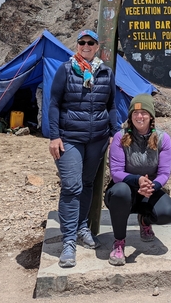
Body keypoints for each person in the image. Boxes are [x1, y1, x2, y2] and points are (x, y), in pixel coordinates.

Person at [48, 29, 119, 268]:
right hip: (69, 138)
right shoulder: (66, 70)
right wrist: (54, 136)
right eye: (82, 42)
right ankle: (68, 241)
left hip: (97, 139)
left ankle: (81, 227)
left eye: (91, 42)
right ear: (77, 45)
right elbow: (54, 103)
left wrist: (112, 133)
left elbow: (111, 105)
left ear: (97, 46)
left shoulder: (105, 73)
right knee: (71, 186)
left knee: (88, 184)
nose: (86, 46)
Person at [105, 93, 171, 266]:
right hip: (124, 190)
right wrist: (137, 180)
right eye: (135, 113)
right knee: (121, 191)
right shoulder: (119, 138)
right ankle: (119, 242)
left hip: (149, 189)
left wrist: (152, 186)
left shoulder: (163, 139)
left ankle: (145, 221)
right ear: (130, 116)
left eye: (144, 112)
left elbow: (164, 173)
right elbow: (116, 173)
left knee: (168, 212)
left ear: (151, 116)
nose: (139, 116)